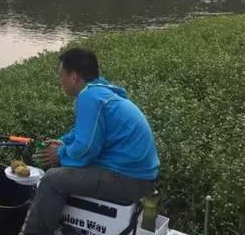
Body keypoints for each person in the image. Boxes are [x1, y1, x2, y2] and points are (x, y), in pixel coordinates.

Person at [22, 47, 160, 235]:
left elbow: (86, 149)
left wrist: (60, 154)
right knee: (63, 172)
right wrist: (62, 142)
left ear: (74, 76)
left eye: (61, 74)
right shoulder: (101, 91)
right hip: (138, 176)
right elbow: (84, 132)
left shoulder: (89, 96)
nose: (59, 80)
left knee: (52, 179)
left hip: (129, 180)